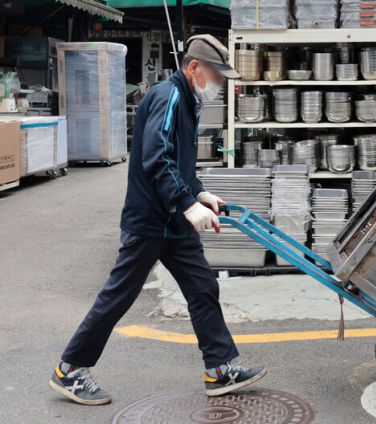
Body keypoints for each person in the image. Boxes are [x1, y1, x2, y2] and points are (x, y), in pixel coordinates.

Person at [49, 35, 266, 405]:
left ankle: (219, 369)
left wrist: (198, 191)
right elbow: (157, 157)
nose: (219, 84)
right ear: (194, 67)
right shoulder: (171, 96)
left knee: (202, 288)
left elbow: (180, 161)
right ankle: (69, 371)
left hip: (174, 222)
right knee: (118, 296)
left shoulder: (189, 100)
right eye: (216, 76)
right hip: (150, 219)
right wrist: (187, 202)